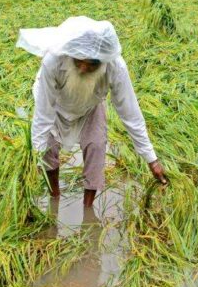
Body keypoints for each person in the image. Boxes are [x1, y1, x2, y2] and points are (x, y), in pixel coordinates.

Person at [16, 16, 167, 207]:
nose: (84, 69)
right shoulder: (54, 61)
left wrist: (151, 160)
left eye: (93, 64)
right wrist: (35, 157)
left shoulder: (115, 66)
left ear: (103, 61)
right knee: (48, 148)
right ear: (71, 53)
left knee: (96, 145)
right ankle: (55, 196)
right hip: (55, 104)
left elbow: (130, 114)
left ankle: (88, 210)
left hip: (91, 105)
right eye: (79, 61)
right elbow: (43, 114)